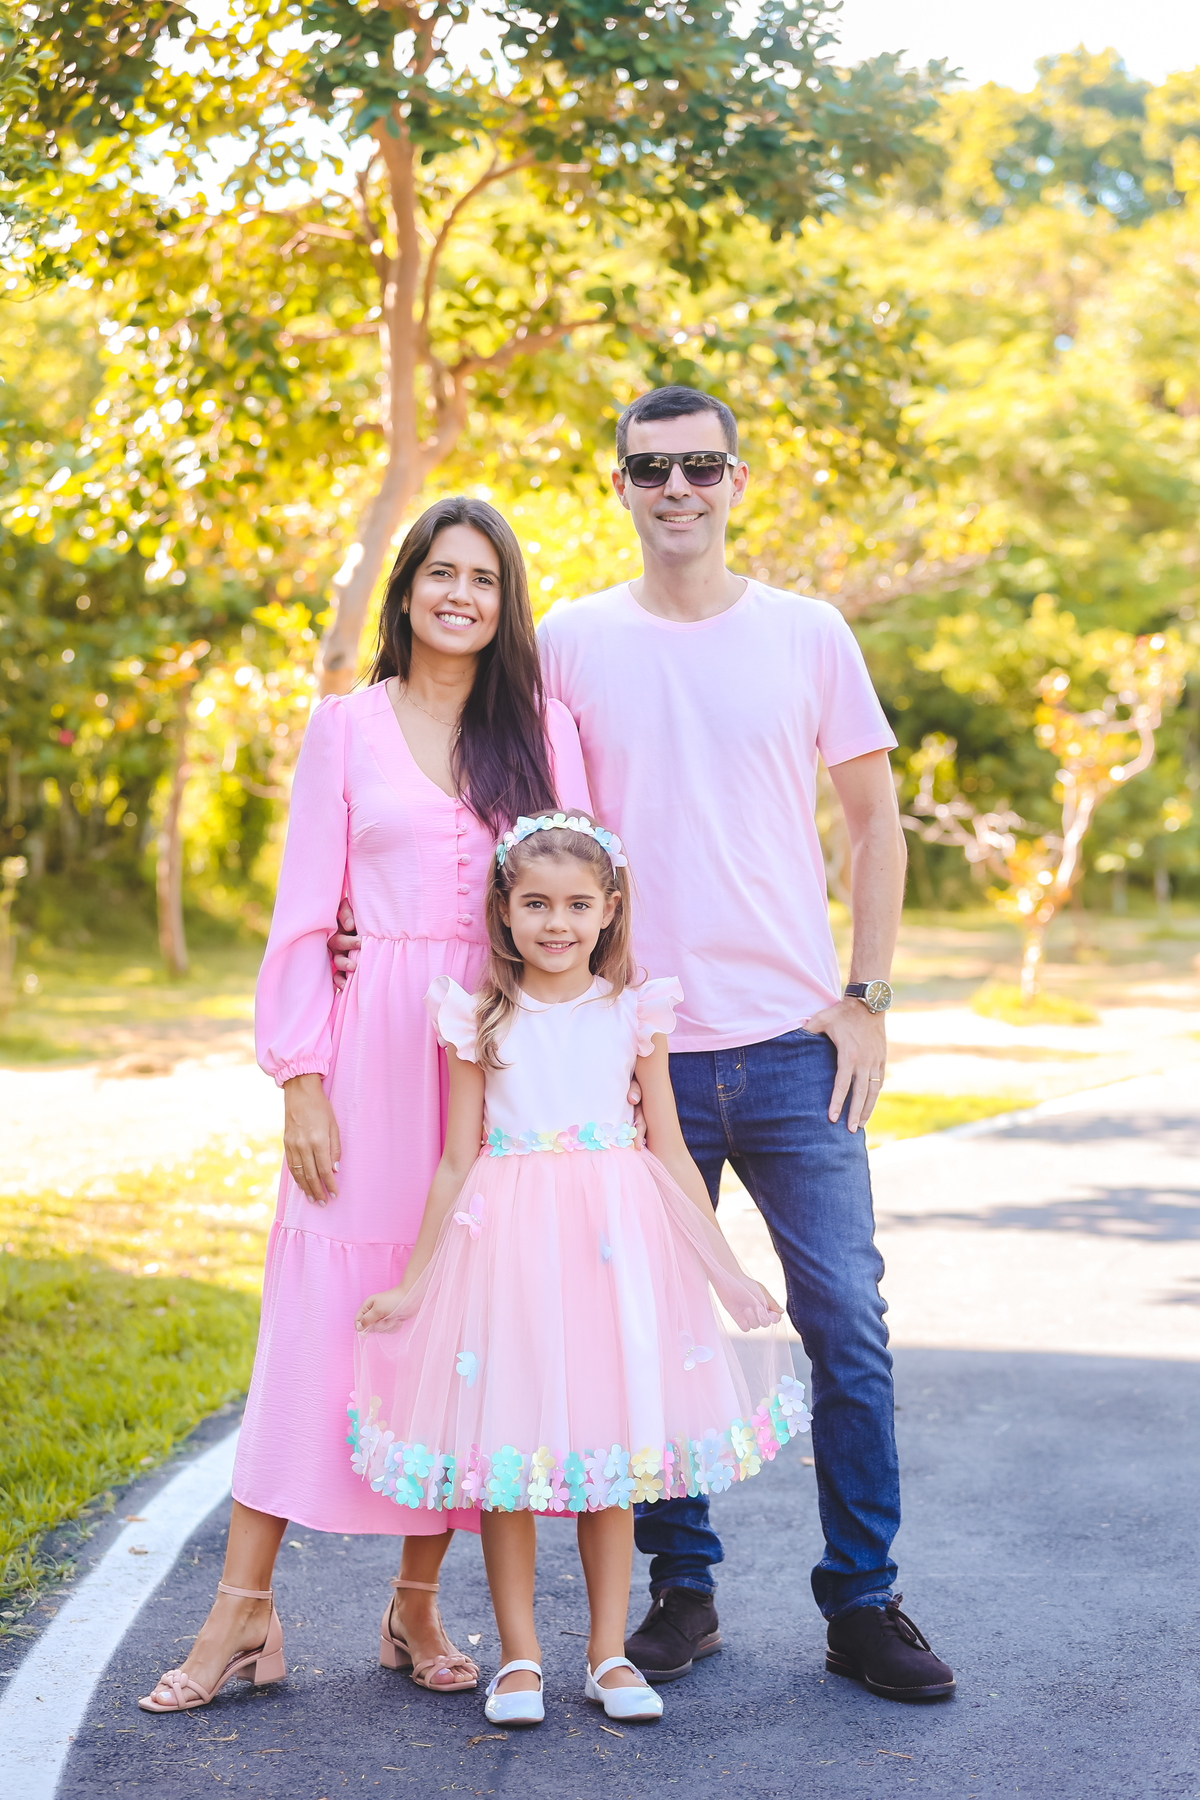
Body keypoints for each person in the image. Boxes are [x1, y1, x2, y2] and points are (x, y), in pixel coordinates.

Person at [535, 386, 956, 1703]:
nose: (678, 487)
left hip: (791, 1048)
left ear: (735, 479)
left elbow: (875, 824)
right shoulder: (570, 641)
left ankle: (864, 1602)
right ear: (619, 484)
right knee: (657, 1335)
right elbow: (530, 836)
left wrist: (866, 996)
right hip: (636, 1054)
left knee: (849, 1327)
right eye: (652, 467)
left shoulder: (808, 632)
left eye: (701, 466)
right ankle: (685, 1590)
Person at [139, 497, 591, 1714]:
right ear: (405, 591)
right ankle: (242, 1610)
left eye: (484, 579)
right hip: (366, 1051)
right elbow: (305, 909)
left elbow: (583, 896)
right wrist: (300, 1078)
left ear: (506, 604)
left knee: (457, 1325)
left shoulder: (544, 731)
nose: (460, 595)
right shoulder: (345, 725)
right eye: (441, 573)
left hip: (499, 1054)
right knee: (316, 1318)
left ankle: (414, 1605)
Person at [350, 814, 806, 1728]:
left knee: (613, 1450)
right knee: (508, 1456)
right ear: (504, 909)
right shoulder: (479, 1017)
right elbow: (456, 1159)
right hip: (510, 1251)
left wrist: (725, 1271)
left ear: (608, 910)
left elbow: (670, 1148)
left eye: (575, 905)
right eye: (535, 903)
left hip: (612, 1251)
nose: (555, 923)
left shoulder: (635, 1012)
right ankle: (518, 1659)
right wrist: (414, 1283)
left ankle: (607, 1655)